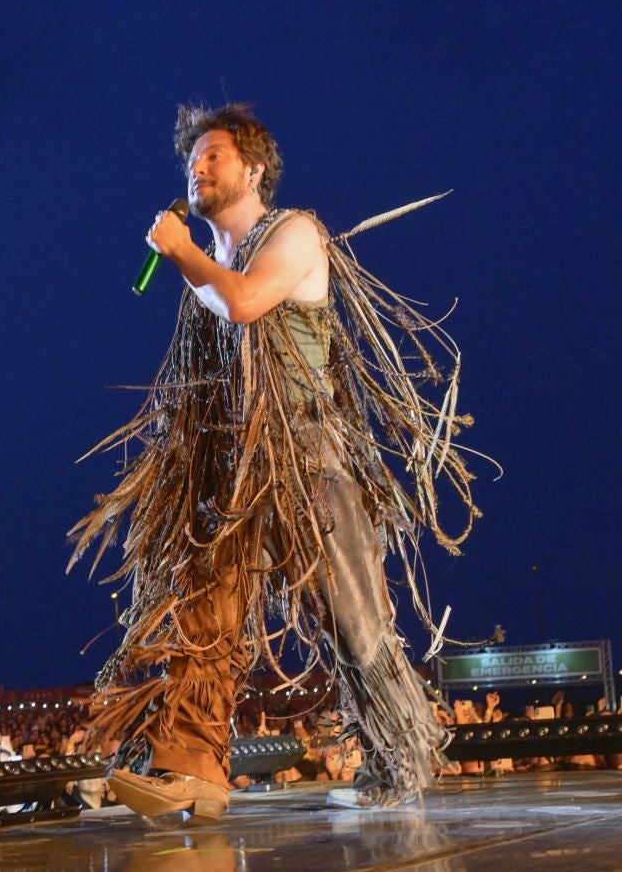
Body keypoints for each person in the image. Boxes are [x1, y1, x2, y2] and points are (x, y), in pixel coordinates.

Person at [70, 103, 480, 818]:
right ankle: (190, 767)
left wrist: (181, 252)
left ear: (254, 169)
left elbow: (246, 303)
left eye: (214, 156)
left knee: (351, 621)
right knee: (205, 608)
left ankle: (403, 757)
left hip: (305, 455)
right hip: (229, 466)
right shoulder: (208, 265)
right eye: (191, 160)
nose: (197, 168)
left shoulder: (294, 233)